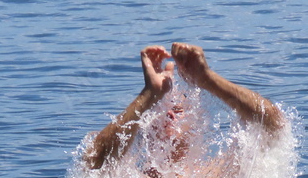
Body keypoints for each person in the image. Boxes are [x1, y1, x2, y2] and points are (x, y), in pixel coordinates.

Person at [84, 43, 286, 171]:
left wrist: (207, 80)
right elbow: (93, 162)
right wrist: (149, 95)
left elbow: (272, 125)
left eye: (178, 110)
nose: (170, 115)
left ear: (195, 123)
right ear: (145, 126)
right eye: (161, 111)